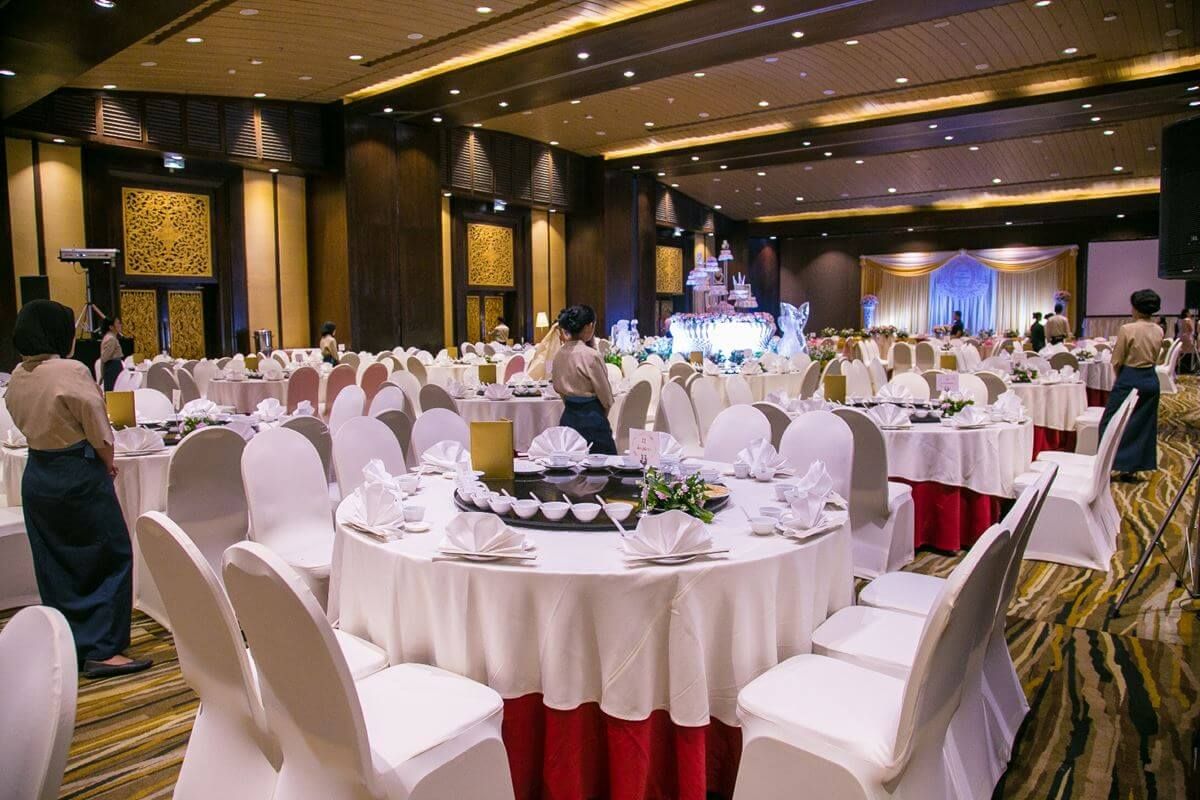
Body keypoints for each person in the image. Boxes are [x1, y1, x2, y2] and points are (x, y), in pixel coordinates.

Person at [7, 300, 151, 679]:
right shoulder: (69, 370)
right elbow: (97, 426)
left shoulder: (19, 375)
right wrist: (107, 462)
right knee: (109, 554)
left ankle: (68, 641)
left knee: (56, 562)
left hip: (38, 472)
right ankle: (104, 649)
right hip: (76, 471)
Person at [1100, 289, 1163, 482]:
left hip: (1130, 377)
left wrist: (1121, 379)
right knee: (1143, 425)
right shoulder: (1159, 329)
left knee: (1110, 422)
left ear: (1135, 308)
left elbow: (1117, 360)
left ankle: (1106, 466)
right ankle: (1132, 469)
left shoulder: (1127, 329)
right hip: (1151, 379)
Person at [551, 305, 617, 455]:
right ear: (589, 326)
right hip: (592, 420)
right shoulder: (591, 355)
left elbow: (558, 388)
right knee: (603, 466)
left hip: (568, 418)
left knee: (571, 464)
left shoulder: (558, 354)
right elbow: (606, 398)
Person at [94, 307, 124, 391]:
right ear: (111, 327)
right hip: (113, 368)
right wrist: (102, 374)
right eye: (118, 323)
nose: (120, 325)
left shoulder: (111, 337)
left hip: (113, 366)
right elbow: (104, 358)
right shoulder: (111, 339)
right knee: (114, 391)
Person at [1176, 309, 1196, 374]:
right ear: (1186, 313)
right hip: (1187, 337)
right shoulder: (1188, 320)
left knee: (1181, 352)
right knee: (1189, 352)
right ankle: (1189, 369)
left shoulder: (1179, 320)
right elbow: (1191, 329)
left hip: (1180, 336)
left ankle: (1180, 368)